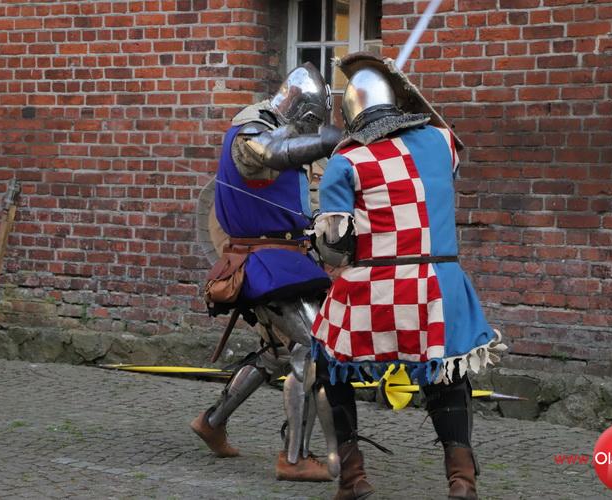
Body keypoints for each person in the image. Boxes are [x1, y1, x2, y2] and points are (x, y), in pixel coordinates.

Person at [310, 53, 506, 499]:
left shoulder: (346, 160)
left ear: (351, 115)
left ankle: (352, 478)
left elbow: (337, 245)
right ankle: (462, 480)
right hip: (439, 284)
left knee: (328, 365)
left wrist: (320, 237)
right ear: (397, 103)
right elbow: (444, 152)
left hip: (375, 288)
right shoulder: (441, 140)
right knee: (445, 372)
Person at [191, 63, 341, 482]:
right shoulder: (252, 128)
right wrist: (323, 142)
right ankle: (295, 458)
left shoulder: (280, 130)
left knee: (278, 351)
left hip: (285, 259)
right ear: (303, 111)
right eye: (314, 123)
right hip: (266, 263)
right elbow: (265, 152)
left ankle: (212, 421)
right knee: (314, 347)